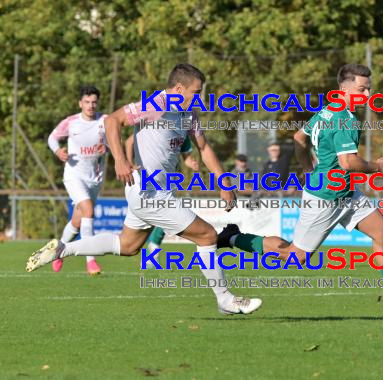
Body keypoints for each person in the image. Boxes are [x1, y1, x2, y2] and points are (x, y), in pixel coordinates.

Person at [27, 63, 261, 315]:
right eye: (196, 91)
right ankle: (225, 300)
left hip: (154, 191)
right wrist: (120, 159)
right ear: (179, 88)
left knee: (128, 246)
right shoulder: (154, 104)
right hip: (148, 192)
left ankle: (61, 249)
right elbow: (112, 121)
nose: (199, 97)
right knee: (207, 236)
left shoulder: (189, 112)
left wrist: (224, 183)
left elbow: (203, 148)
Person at [218, 63, 383, 315]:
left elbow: (299, 137)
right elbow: (348, 162)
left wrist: (308, 169)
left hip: (345, 193)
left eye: (369, 90)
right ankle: (231, 237)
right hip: (325, 198)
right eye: (362, 90)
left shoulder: (329, 110)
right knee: (294, 257)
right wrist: (379, 166)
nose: (367, 96)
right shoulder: (344, 118)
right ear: (344, 88)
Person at [47, 85, 107, 275]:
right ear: (80, 103)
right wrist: (58, 151)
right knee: (88, 210)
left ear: (98, 103)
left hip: (94, 179)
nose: (91, 105)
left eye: (94, 102)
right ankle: (91, 261)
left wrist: (107, 148)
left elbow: (115, 142)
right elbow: (52, 138)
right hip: (74, 176)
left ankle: (58, 253)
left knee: (77, 220)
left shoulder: (105, 121)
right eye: (87, 102)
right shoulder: (71, 122)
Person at [125, 134, 200, 265]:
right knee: (132, 240)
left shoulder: (183, 131)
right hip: (149, 181)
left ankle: (151, 254)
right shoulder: (155, 124)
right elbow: (129, 141)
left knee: (162, 221)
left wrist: (191, 163)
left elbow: (186, 158)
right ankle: (151, 253)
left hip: (168, 182)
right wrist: (129, 163)